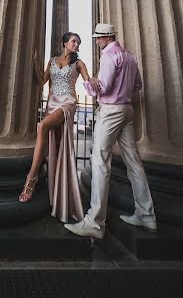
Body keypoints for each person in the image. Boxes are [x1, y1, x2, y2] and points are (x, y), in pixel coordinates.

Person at [64, 23, 157, 240]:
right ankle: (146, 214)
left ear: (108, 37)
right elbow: (138, 86)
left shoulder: (109, 55)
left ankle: (94, 223)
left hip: (111, 111)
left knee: (100, 162)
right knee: (134, 163)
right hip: (127, 110)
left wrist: (88, 83)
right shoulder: (131, 57)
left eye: (98, 38)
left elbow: (101, 88)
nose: (96, 42)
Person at [19, 31, 90, 223]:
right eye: (74, 41)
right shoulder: (51, 61)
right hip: (52, 104)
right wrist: (34, 63)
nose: (77, 45)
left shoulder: (79, 63)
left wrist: (95, 82)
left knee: (42, 127)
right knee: (56, 149)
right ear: (65, 43)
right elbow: (42, 81)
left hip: (67, 104)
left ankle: (30, 180)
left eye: (79, 42)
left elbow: (88, 82)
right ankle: (59, 193)